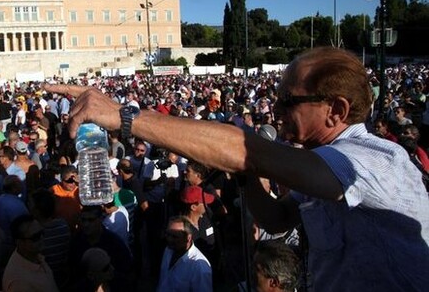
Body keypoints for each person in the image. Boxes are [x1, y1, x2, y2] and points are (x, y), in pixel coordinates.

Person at [45, 47, 429, 291]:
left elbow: (245, 148)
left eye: (288, 101)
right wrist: (245, 174)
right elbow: (278, 218)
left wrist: (122, 115)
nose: (277, 111)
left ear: (337, 110)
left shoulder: (375, 159)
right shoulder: (320, 165)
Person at [2, 214, 59, 292]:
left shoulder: (35, 255)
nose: (42, 238)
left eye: (42, 233)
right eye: (35, 237)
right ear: (19, 243)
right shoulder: (19, 283)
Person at [157, 216, 212, 292]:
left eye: (175, 236)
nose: (169, 239)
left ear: (188, 238)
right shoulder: (168, 250)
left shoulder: (199, 267)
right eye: (168, 234)